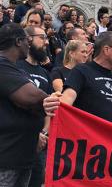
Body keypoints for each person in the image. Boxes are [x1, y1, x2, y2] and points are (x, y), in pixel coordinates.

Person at [44, 31, 112, 128]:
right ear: (106, 50)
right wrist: (53, 104)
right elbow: (66, 101)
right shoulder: (81, 71)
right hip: (88, 140)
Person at [0, 23, 47, 186]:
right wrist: (45, 102)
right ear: (19, 41)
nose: (29, 44)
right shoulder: (1, 65)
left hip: (22, 157)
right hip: (5, 161)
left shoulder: (18, 71)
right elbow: (32, 98)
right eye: (27, 40)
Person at [16, 26, 52, 187]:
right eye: (42, 38)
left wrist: (44, 133)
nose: (46, 42)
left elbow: (49, 109)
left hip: (39, 146)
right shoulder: (15, 66)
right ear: (28, 40)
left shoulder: (45, 74)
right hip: (16, 141)